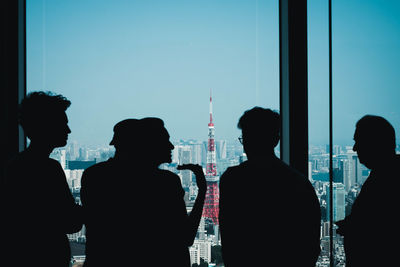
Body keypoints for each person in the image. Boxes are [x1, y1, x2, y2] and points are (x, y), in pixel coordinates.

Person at [81, 118, 207, 266]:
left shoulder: (95, 176)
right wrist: (202, 190)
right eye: (164, 140)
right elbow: (186, 237)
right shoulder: (166, 183)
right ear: (147, 145)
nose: (171, 146)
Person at [219, 107, 321, 267]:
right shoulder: (298, 183)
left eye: (248, 138)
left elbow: (229, 236)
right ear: (276, 140)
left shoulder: (233, 179)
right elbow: (310, 242)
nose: (246, 144)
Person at [2, 91, 83, 266]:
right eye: (63, 124)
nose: (68, 130)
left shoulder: (15, 166)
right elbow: (71, 223)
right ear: (46, 125)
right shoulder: (48, 168)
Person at [335, 115, 400, 267]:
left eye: (359, 141)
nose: (354, 148)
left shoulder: (385, 178)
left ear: (375, 143)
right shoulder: (385, 174)